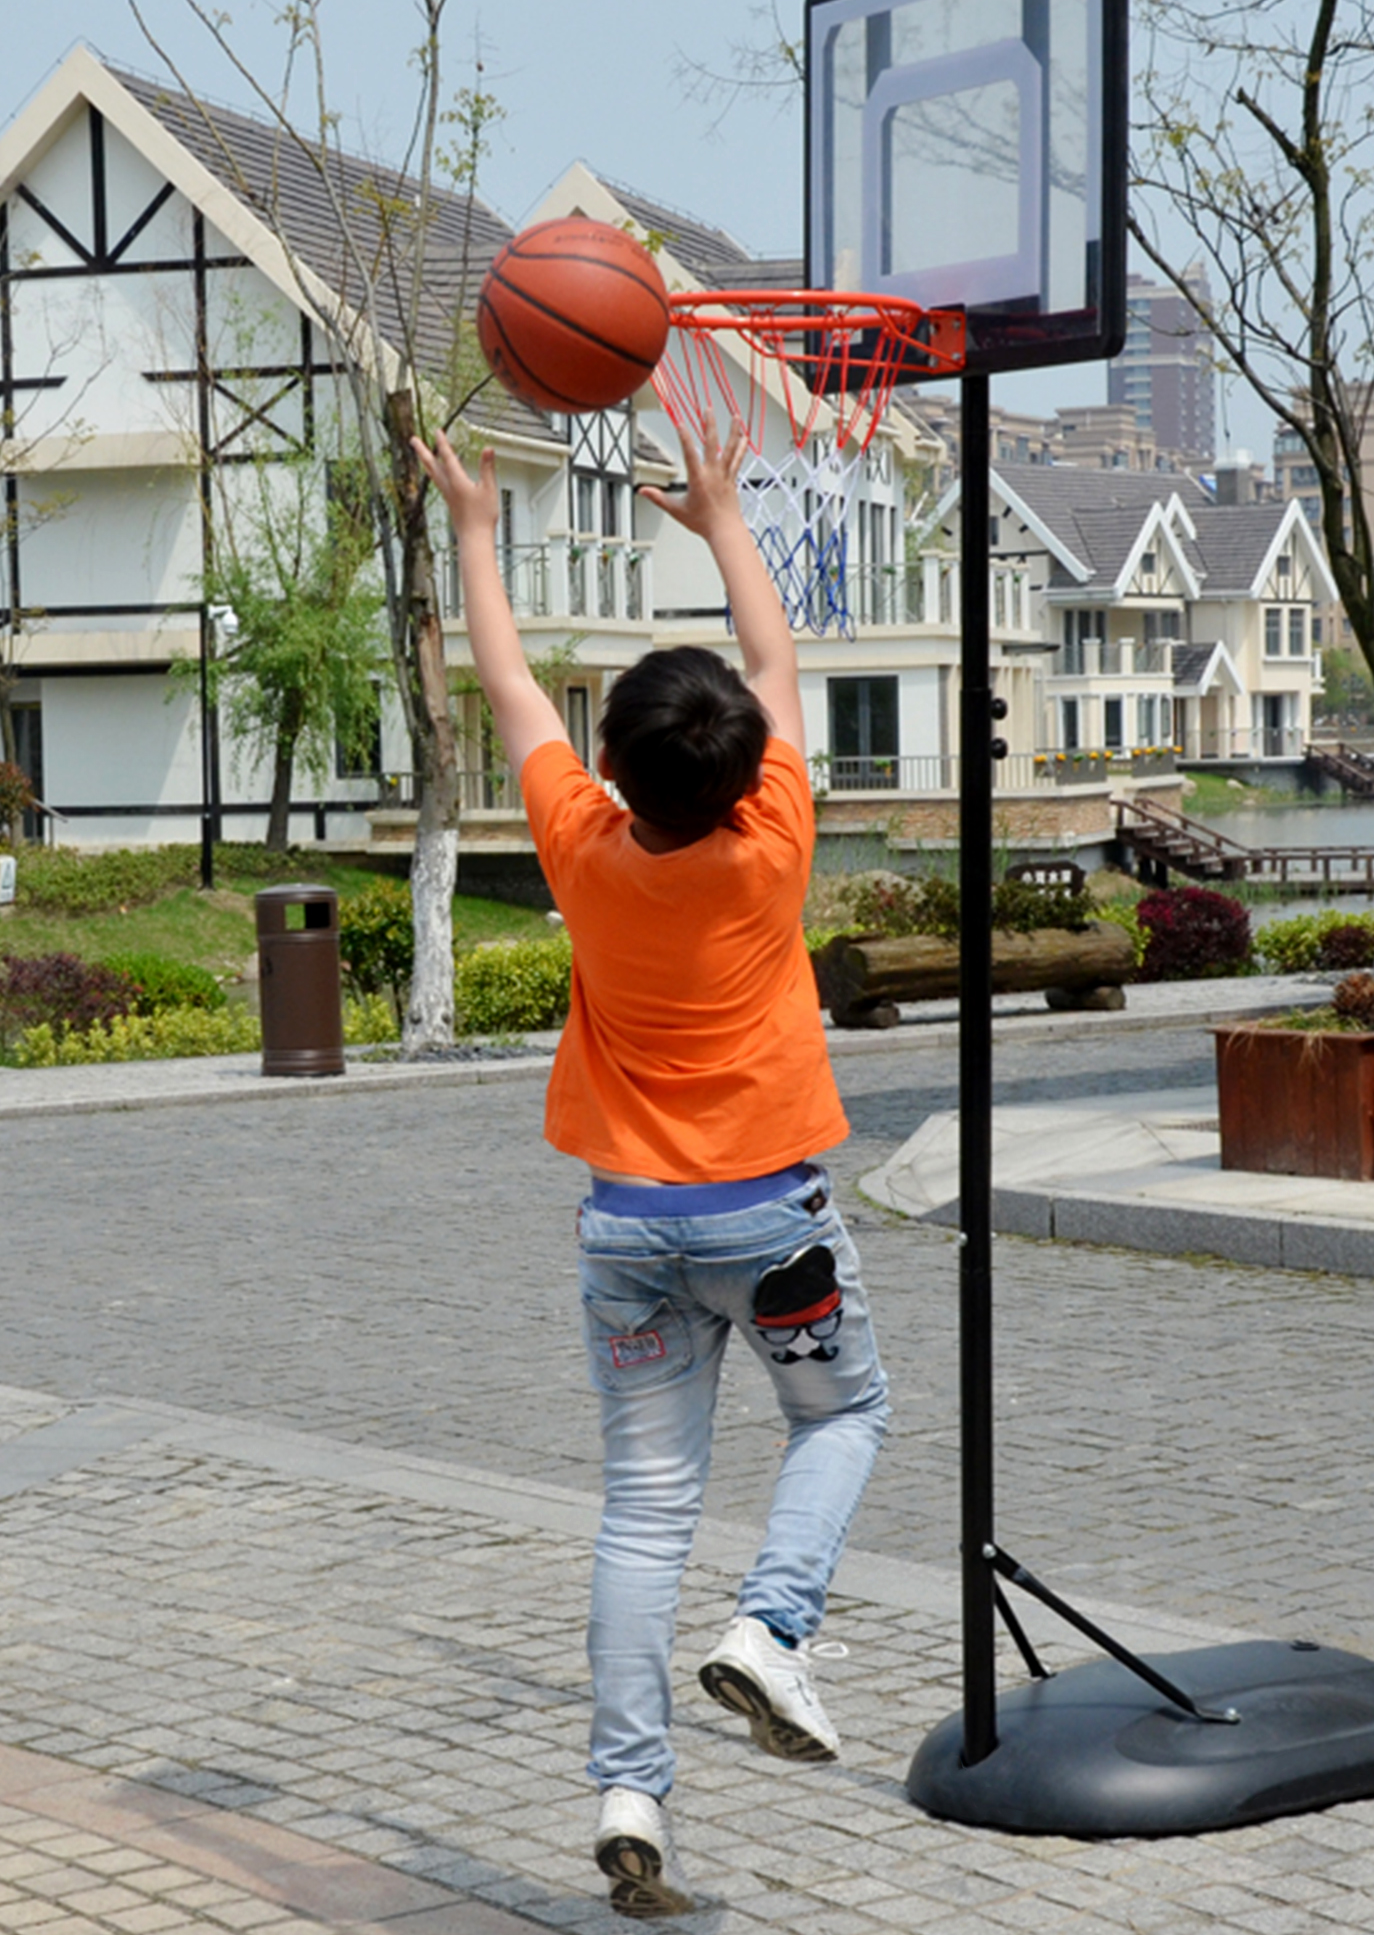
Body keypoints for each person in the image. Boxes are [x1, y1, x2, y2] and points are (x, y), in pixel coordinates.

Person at [413, 422, 890, 1921]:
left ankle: (631, 1791)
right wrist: (725, 517)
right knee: (848, 1412)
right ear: (750, 764)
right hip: (774, 1217)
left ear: (608, 763)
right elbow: (777, 652)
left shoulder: (579, 843)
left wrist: (480, 531)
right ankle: (772, 1628)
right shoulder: (777, 838)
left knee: (642, 1507)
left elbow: (500, 680)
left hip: (628, 1226)